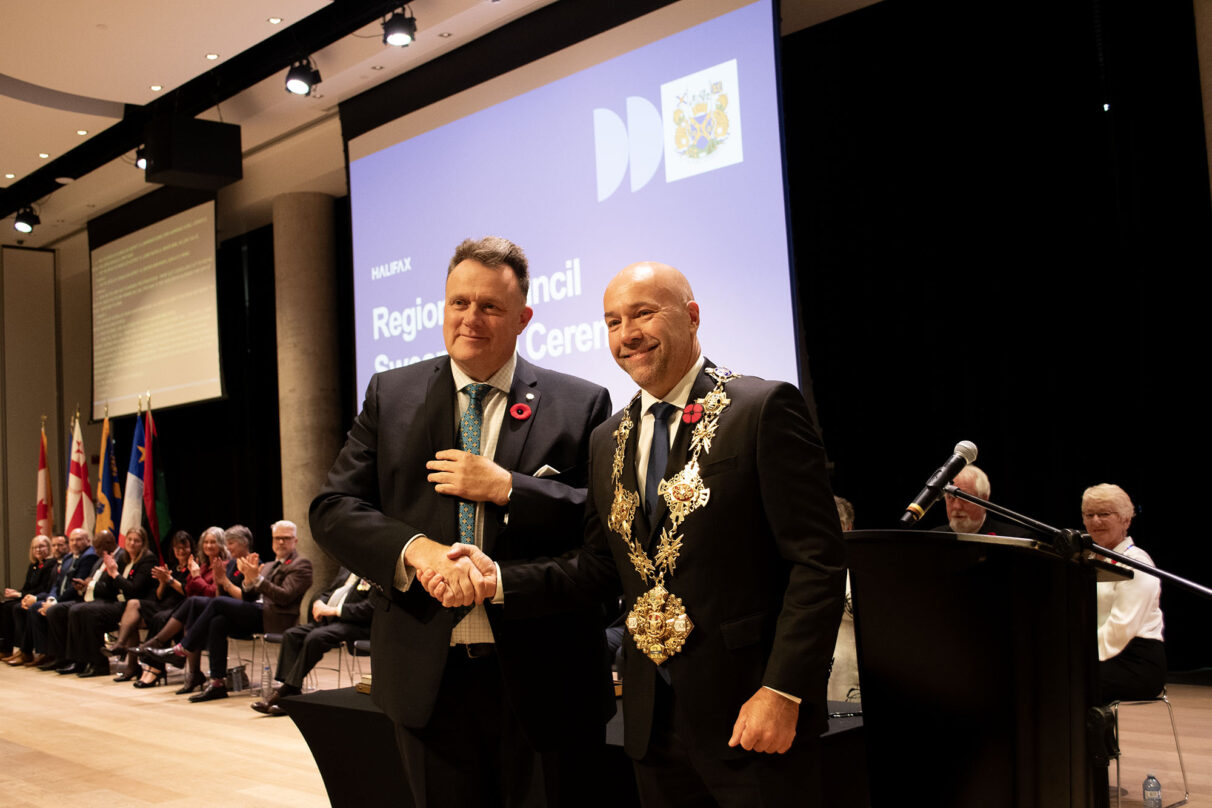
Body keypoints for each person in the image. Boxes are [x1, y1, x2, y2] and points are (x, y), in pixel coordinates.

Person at [428, 261, 847, 807]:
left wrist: (783, 690)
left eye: (644, 313)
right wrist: (498, 580)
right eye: (612, 321)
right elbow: (598, 567)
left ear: (692, 316)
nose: (628, 334)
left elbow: (817, 563)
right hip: (652, 726)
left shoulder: (762, 408)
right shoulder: (609, 438)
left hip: (753, 712)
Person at [310, 236, 614, 807]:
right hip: (428, 680)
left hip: (546, 679)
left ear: (524, 318)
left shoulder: (582, 403)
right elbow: (333, 509)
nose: (470, 318)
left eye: (490, 307)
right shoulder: (390, 394)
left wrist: (507, 488)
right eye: (459, 303)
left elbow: (598, 526)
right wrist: (417, 550)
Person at [143, 520, 312, 701]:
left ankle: (183, 648)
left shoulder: (301, 565)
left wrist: (255, 580)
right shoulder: (269, 565)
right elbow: (249, 596)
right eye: (277, 538)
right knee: (218, 622)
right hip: (258, 612)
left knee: (217, 604)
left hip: (277, 619)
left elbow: (284, 597)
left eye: (285, 538)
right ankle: (217, 683)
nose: (280, 542)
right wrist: (247, 581)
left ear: (295, 541)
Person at [133, 524, 255, 690]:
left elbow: (216, 594)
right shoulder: (211, 565)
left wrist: (197, 577)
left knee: (191, 606)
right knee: (196, 612)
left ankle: (163, 645)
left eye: (228, 543)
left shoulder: (237, 563)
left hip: (235, 611)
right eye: (206, 542)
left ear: (244, 543)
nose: (210, 546)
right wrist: (187, 577)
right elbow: (191, 591)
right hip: (213, 610)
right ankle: (204, 677)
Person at [251, 567, 373, 716]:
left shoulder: (373, 573)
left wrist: (335, 611)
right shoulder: (346, 570)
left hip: (355, 624)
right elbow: (329, 592)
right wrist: (319, 603)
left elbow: (370, 608)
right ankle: (291, 692)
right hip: (329, 620)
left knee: (316, 637)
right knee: (291, 635)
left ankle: (285, 693)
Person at [1082, 483, 1165, 703]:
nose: (1095, 521)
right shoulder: (1083, 558)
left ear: (1126, 520)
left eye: (1104, 514)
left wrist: (1077, 657)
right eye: (1089, 514)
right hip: (1096, 653)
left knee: (1069, 681)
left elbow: (1120, 628)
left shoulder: (1137, 562)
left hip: (1136, 661)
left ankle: (1091, 738)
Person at [56, 525, 156, 677]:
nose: (132, 543)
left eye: (137, 541)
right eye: (129, 539)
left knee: (86, 611)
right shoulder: (124, 559)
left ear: (143, 543)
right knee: (78, 609)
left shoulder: (148, 559)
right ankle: (80, 661)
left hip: (136, 605)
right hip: (118, 602)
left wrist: (115, 574)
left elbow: (134, 590)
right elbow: (110, 588)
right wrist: (96, 580)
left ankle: (99, 664)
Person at [30, 528, 98, 669]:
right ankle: (48, 653)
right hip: (61, 598)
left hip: (78, 598)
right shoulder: (68, 557)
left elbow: (75, 586)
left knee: (55, 611)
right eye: (72, 540)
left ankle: (64, 657)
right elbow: (57, 583)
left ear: (88, 541)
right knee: (36, 608)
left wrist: (55, 603)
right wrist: (51, 599)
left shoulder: (89, 557)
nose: (75, 543)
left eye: (79, 539)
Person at [5, 534, 68, 666]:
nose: (38, 550)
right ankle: (13, 649)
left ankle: (31, 651)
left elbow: (47, 588)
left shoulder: (51, 564)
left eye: (41, 546)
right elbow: (27, 587)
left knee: (24, 607)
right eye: (35, 548)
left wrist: (24, 597)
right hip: (41, 596)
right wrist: (23, 596)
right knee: (6, 605)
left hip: (47, 597)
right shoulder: (33, 566)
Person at [931, 464, 1036, 537]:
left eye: (964, 498)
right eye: (950, 498)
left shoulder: (1017, 539)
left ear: (984, 499)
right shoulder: (932, 540)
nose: (957, 507)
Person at [827, 496, 860, 703]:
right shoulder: (798, 571)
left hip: (853, 683)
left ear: (844, 527)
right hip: (817, 683)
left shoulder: (863, 571)